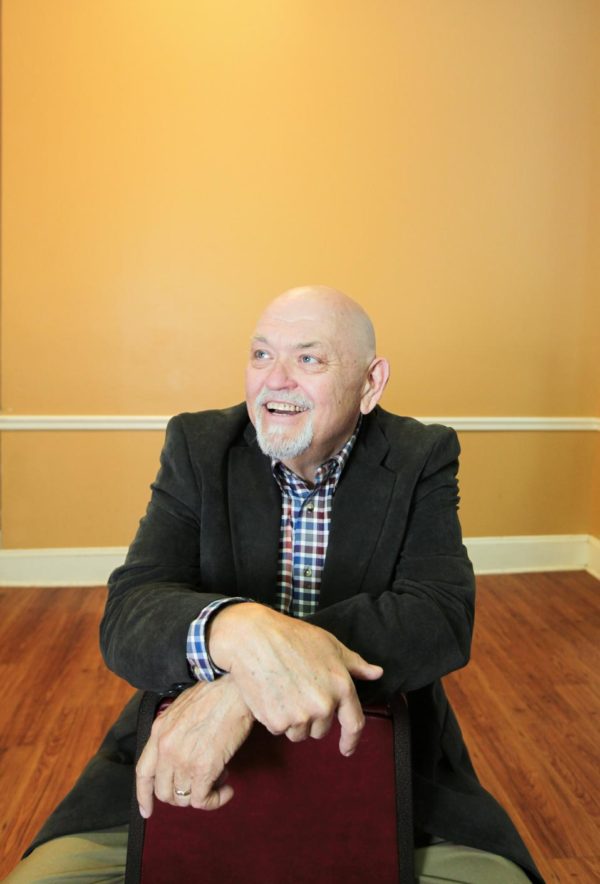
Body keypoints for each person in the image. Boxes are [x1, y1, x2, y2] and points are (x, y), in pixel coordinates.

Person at [6, 286, 543, 883]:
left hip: (379, 753)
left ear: (370, 384)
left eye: (308, 358)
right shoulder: (197, 445)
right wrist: (238, 628)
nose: (275, 380)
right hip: (189, 760)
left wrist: (246, 683)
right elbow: (131, 612)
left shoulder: (420, 454)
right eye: (261, 355)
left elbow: (439, 616)